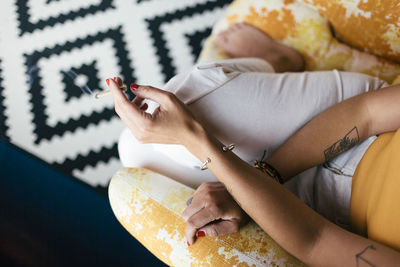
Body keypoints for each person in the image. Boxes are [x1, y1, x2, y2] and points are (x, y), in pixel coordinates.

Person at [109, 23, 400, 266]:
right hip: (361, 131)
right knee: (177, 103)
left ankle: (268, 66)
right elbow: (367, 113)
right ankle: (274, 61)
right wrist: (262, 176)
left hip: (317, 212)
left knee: (137, 153)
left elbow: (315, 239)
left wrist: (195, 139)